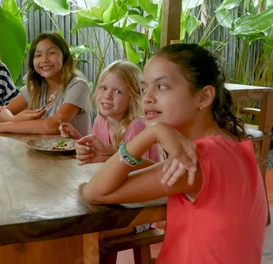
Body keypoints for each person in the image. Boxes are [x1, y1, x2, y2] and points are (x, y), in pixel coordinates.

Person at [82, 44, 267, 263]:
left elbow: (94, 192)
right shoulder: (233, 145)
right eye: (144, 89)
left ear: (203, 97)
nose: (147, 98)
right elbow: (164, 174)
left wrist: (152, 133)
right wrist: (109, 155)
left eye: (161, 86)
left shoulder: (198, 160)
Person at [0, 32, 91, 135]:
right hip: (44, 156)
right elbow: (4, 112)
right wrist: (15, 119)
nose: (44, 59)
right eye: (38, 55)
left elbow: (53, 126)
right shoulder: (36, 87)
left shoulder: (77, 86)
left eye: (51, 53)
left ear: (64, 56)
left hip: (75, 159)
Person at [59, 60, 161, 165]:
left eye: (117, 91)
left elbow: (140, 169)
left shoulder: (137, 127)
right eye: (103, 88)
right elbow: (98, 154)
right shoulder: (100, 122)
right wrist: (78, 139)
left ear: (133, 97)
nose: (107, 96)